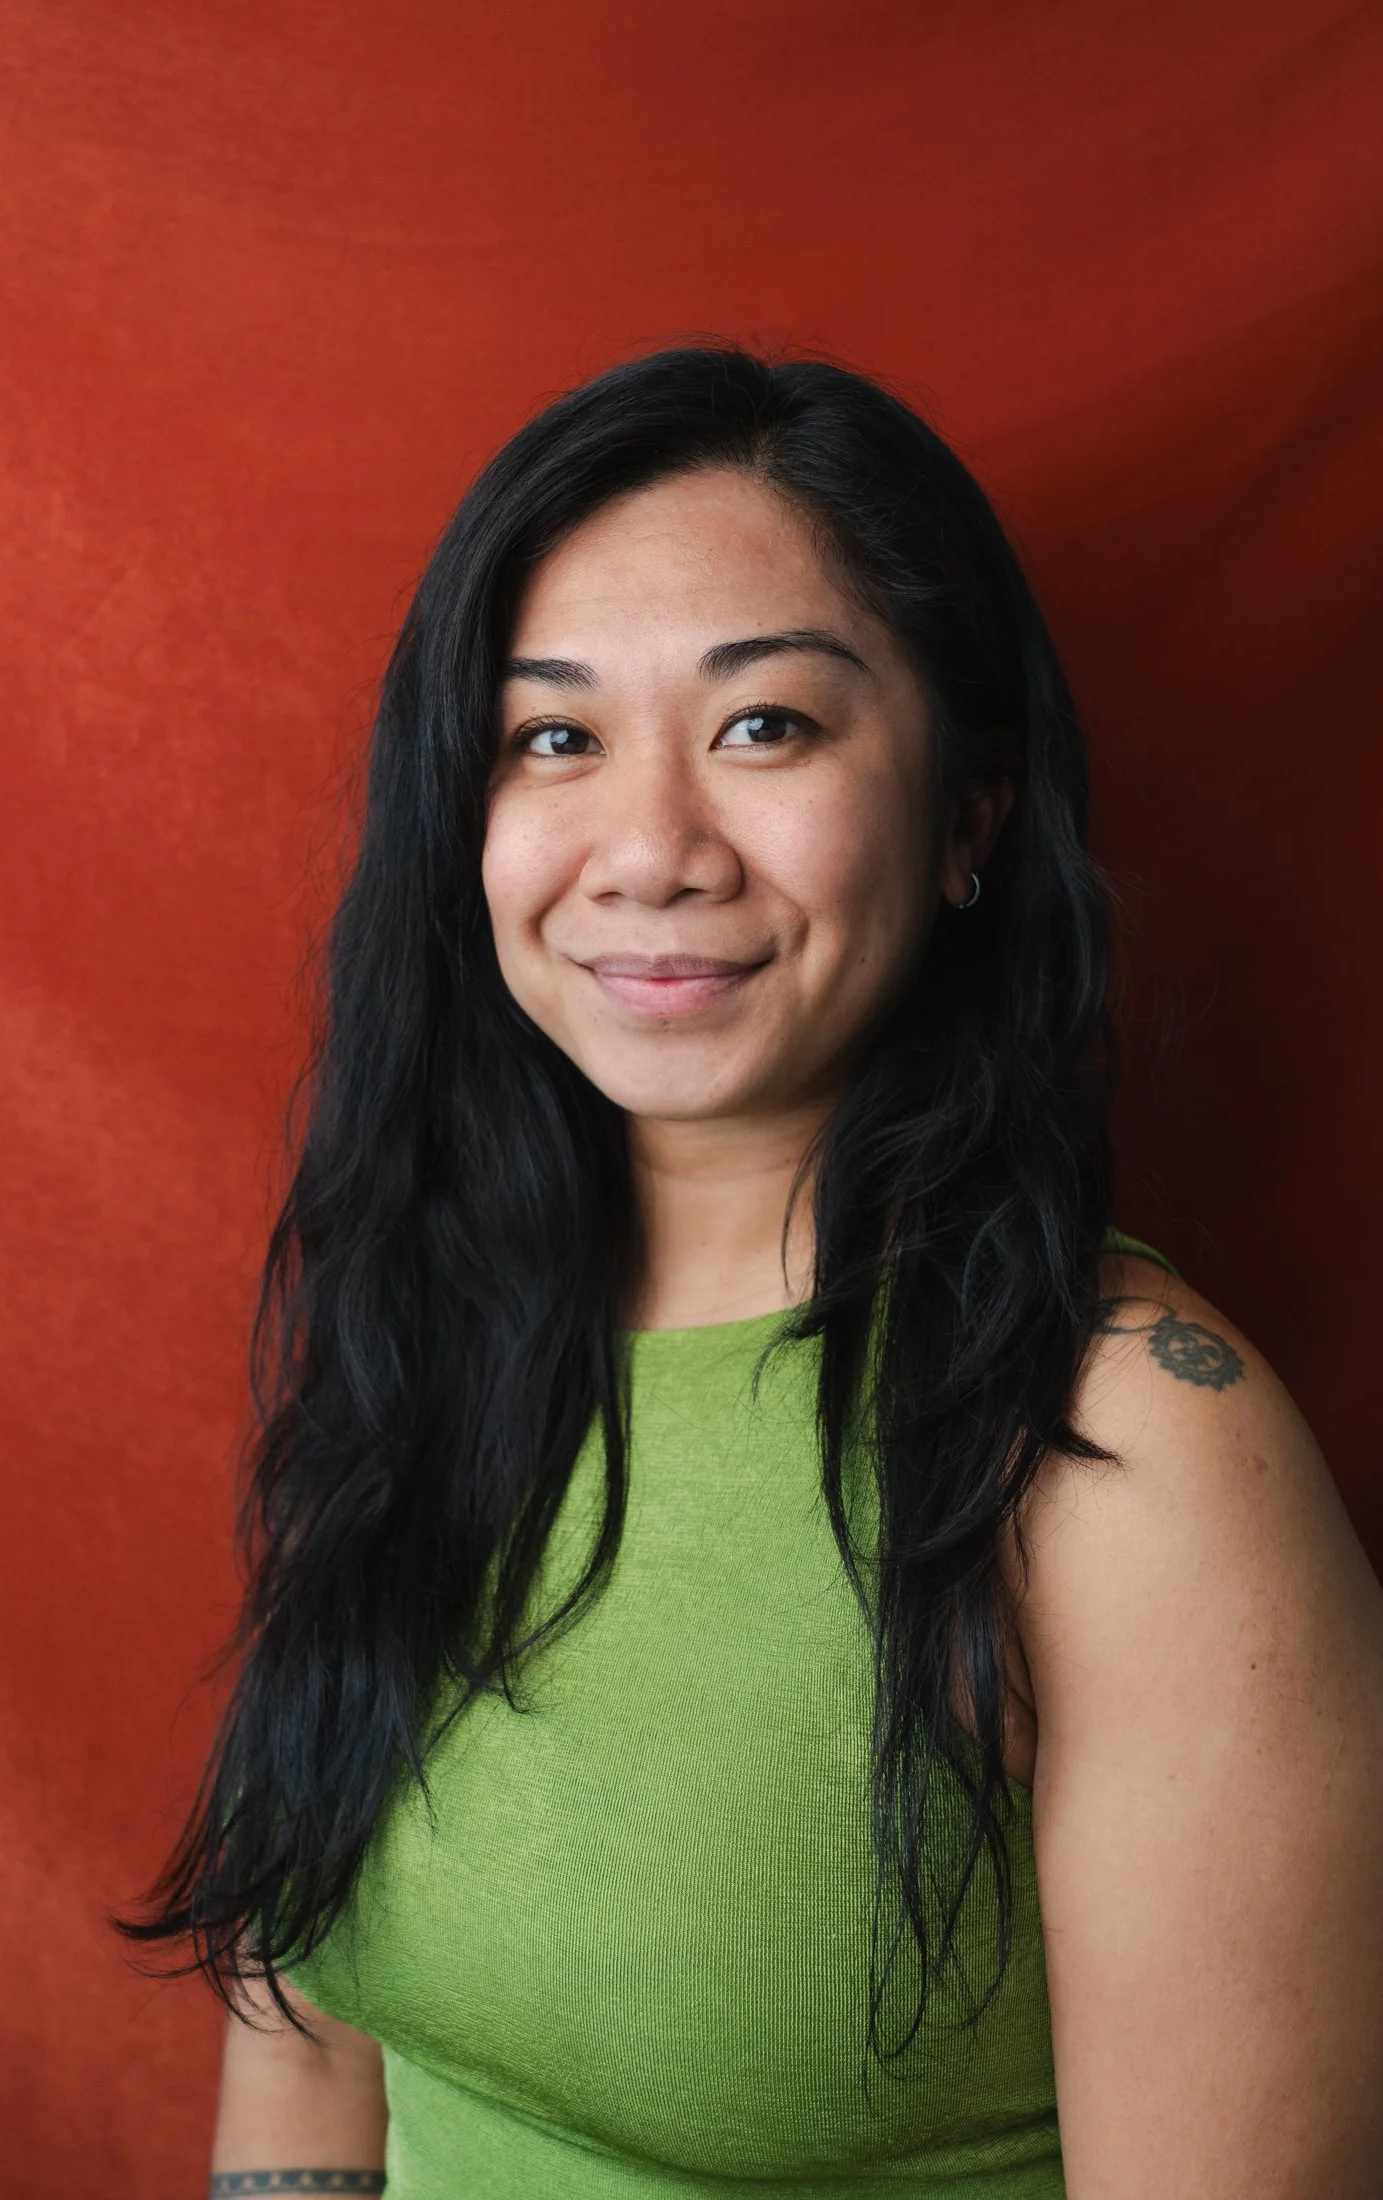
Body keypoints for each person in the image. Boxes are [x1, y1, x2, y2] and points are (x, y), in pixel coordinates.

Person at [129, 348, 1383, 2198]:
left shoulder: (1132, 1454)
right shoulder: (434, 1324)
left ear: (968, 816)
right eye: (553, 738)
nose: (649, 854)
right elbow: (306, 2064)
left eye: (765, 726)